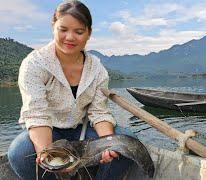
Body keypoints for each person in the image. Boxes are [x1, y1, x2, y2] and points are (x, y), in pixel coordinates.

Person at [7, 1, 134, 179]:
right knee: (19, 153)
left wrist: (109, 144)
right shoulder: (34, 64)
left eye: (79, 32)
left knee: (127, 143)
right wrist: (49, 156)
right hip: (49, 129)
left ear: (89, 33)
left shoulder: (97, 70)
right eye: (63, 29)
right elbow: (37, 115)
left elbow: (99, 112)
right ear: (54, 27)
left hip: (82, 130)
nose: (70, 37)